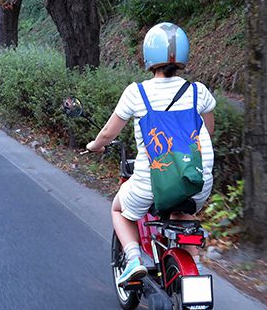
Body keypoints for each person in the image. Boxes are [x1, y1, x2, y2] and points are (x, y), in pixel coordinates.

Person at [86, 22, 216, 285]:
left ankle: (134, 259)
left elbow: (109, 133)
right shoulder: (197, 91)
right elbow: (208, 132)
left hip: (152, 181)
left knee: (118, 209)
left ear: (148, 56)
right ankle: (195, 270)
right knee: (183, 213)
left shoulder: (137, 93)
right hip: (197, 179)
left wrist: (95, 145)